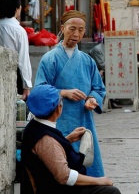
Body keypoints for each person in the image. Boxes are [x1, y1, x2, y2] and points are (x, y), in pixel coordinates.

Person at [34, 10, 106, 177]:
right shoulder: (49, 59)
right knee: (61, 168)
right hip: (58, 121)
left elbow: (98, 88)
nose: (76, 34)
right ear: (62, 28)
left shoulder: (88, 61)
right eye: (72, 29)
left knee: (85, 163)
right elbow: (40, 91)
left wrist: (92, 99)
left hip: (83, 118)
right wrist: (63, 92)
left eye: (81, 30)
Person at [21, 84, 121, 194]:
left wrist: (68, 139)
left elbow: (49, 153)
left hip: (51, 184)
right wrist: (98, 180)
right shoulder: (46, 139)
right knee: (111, 192)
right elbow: (65, 176)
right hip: (56, 189)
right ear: (58, 108)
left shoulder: (34, 126)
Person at [0, 0, 32, 100]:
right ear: (17, 9)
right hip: (12, 75)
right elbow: (23, 60)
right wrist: (27, 85)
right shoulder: (18, 30)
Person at [89, 41, 122, 109]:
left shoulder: (109, 48)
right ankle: (110, 99)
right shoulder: (98, 49)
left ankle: (113, 98)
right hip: (96, 71)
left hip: (104, 70)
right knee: (110, 76)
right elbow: (101, 64)